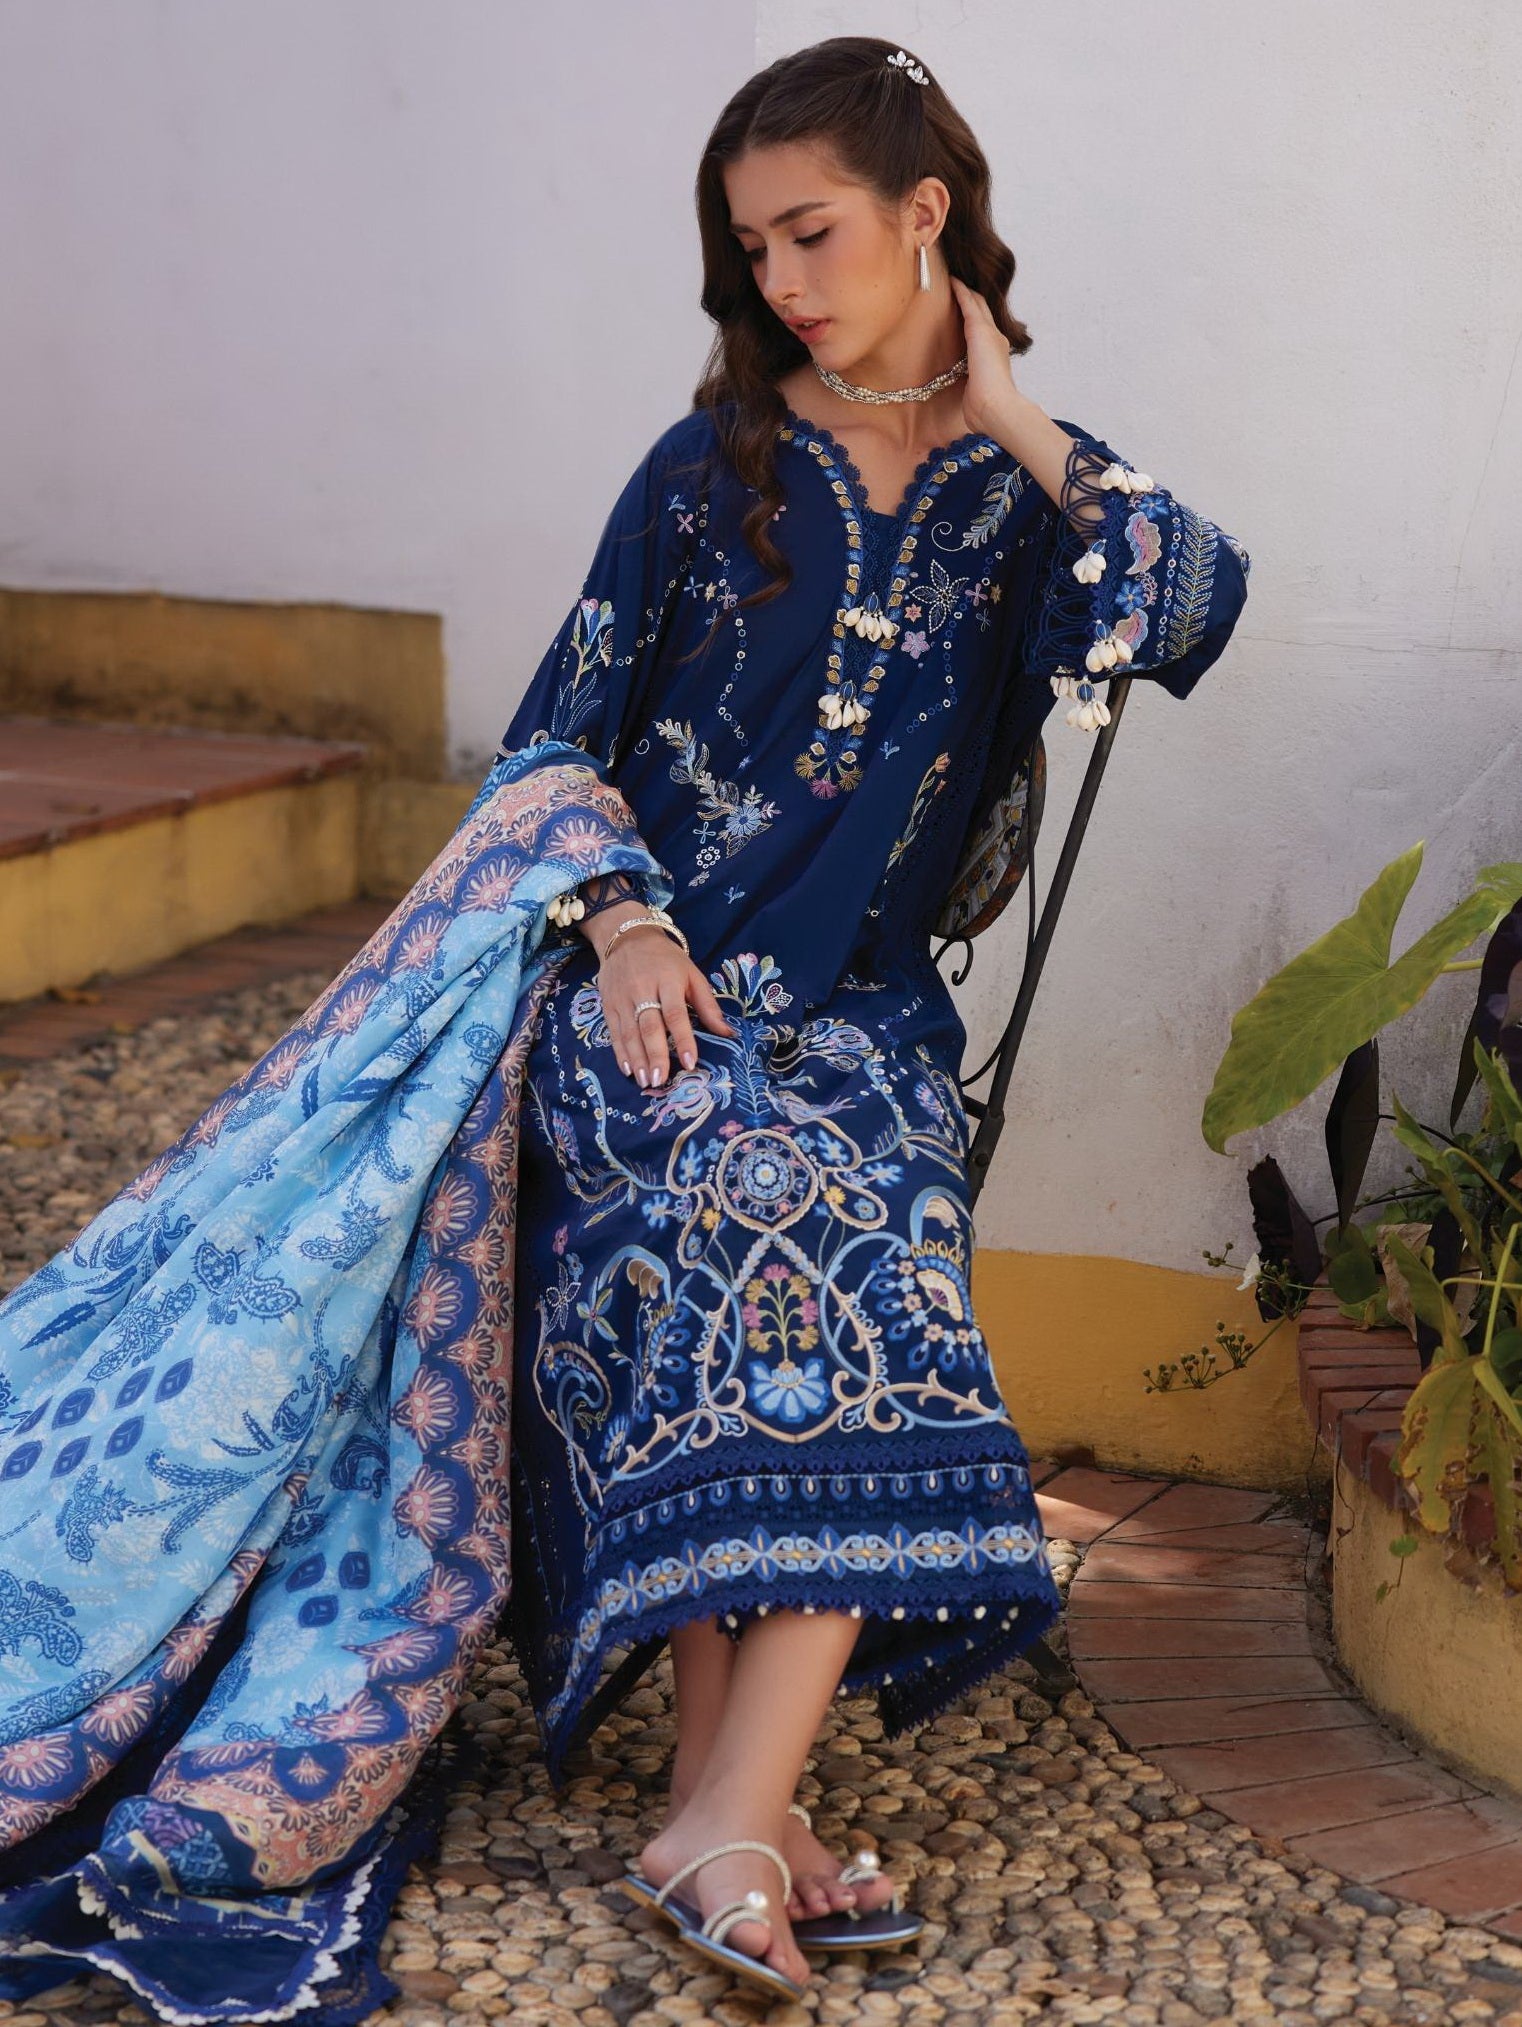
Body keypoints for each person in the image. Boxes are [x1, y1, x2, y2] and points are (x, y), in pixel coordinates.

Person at [0, 33, 1249, 2020]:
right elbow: (546, 747)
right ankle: (736, 1814)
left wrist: (1008, 407)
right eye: (751, 246)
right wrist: (625, 919)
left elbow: (1187, 606)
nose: (780, 278)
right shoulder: (706, 472)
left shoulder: (1030, 506)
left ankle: (715, 1802)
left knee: (841, 1210)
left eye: (812, 231)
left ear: (925, 212)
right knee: (743, 1189)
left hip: (864, 1025)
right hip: (633, 998)